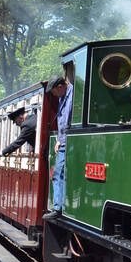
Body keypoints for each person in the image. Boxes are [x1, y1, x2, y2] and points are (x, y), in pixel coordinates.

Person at [47, 74, 71, 211]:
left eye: (54, 92)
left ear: (60, 86)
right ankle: (58, 206)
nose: (54, 95)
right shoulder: (63, 97)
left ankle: (58, 208)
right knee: (58, 174)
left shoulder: (72, 95)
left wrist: (61, 140)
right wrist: (58, 139)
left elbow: (67, 119)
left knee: (58, 173)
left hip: (68, 141)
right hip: (63, 140)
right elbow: (62, 121)